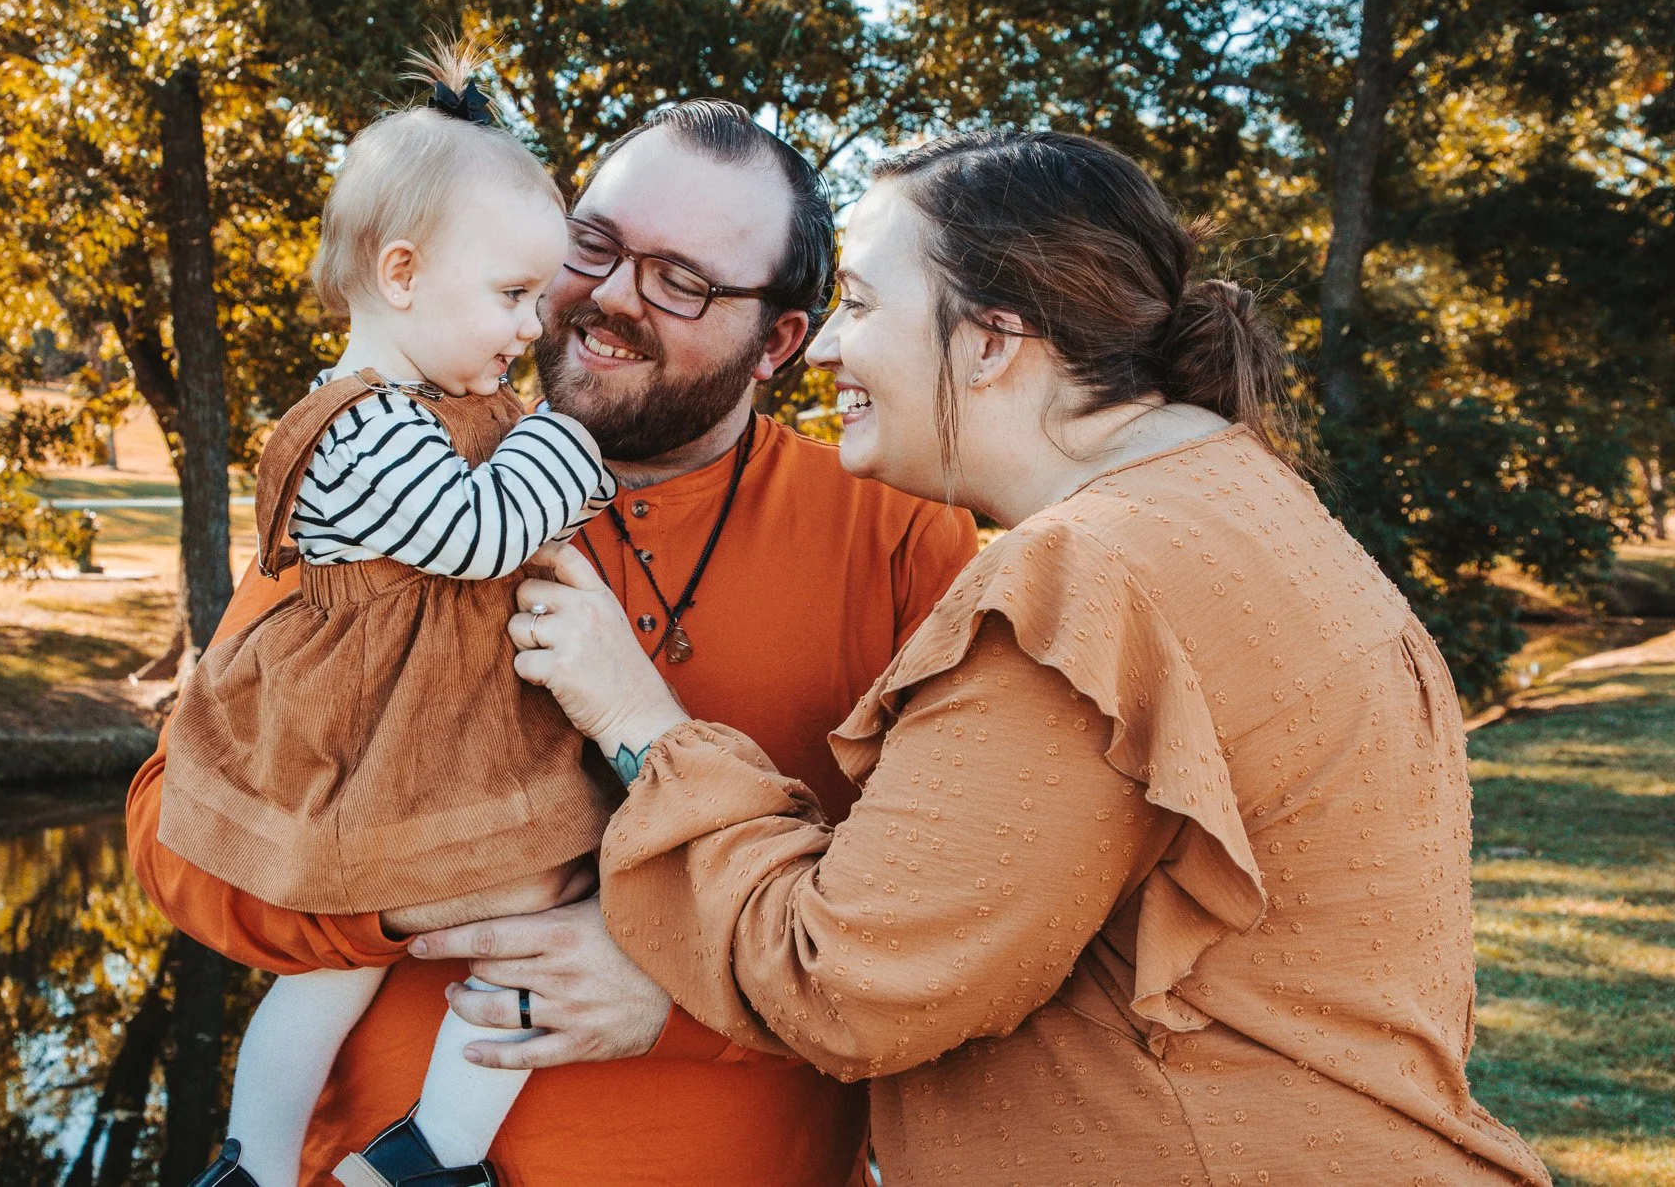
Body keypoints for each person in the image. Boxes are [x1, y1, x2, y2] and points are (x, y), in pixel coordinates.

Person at [506, 130, 1554, 1186]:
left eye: (863, 305)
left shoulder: (1087, 575)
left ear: (991, 340)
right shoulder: (1237, 506)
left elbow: (847, 982)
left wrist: (641, 724)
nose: (822, 351)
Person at [127, 100, 980, 1186]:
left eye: (681, 280)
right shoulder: (396, 469)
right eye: (595, 244)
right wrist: (393, 893)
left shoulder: (902, 536)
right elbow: (172, 829)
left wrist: (688, 990)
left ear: (776, 342)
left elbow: (952, 938)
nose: (612, 296)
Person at [163, 39, 620, 1187]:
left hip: (440, 728)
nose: (531, 329)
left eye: (536, 300)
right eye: (512, 297)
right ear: (403, 274)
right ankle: (323, 1160)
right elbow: (475, 537)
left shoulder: (439, 400)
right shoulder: (360, 425)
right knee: (511, 910)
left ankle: (356, 1161)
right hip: (383, 743)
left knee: (397, 953)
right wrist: (566, 437)